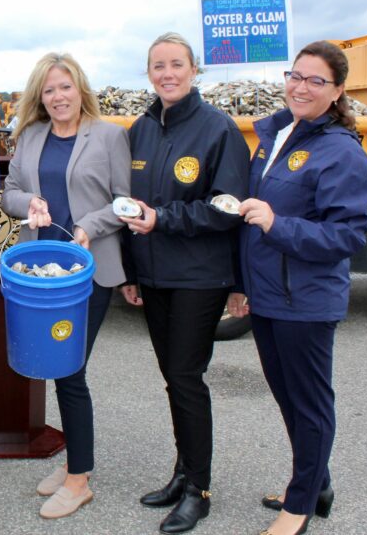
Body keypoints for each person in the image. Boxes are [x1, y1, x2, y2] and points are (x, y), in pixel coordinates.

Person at [226, 41, 367, 535]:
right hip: (269, 294)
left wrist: (276, 223)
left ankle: (301, 504)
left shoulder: (341, 152)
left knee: (309, 403)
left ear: (337, 92)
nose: (302, 87)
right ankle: (317, 484)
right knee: (288, 398)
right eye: (297, 76)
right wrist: (243, 284)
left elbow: (347, 235)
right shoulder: (278, 134)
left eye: (317, 81)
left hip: (305, 300)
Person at [119, 32, 250, 533]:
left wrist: (165, 219)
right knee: (174, 377)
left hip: (199, 274)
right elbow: (129, 204)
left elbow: (227, 206)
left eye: (176, 64)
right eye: (158, 66)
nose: (167, 73)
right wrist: (130, 273)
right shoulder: (141, 129)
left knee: (187, 377)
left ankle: (200, 489)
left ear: (195, 71)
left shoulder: (218, 130)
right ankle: (182, 473)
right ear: (148, 73)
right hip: (153, 275)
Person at [0, 53, 130, 519]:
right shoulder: (31, 136)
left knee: (70, 370)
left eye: (66, 87)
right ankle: (76, 461)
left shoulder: (110, 135)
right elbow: (10, 189)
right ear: (41, 96)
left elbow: (125, 203)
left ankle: (79, 481)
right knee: (59, 366)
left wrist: (90, 226)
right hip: (42, 276)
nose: (58, 97)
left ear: (81, 90)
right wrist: (29, 202)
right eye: (50, 90)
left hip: (88, 272)